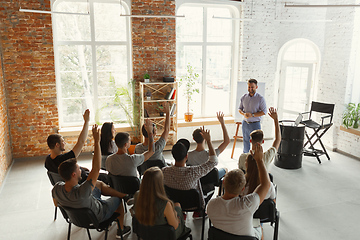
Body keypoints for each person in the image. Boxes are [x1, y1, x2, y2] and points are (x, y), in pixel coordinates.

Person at [52, 125, 131, 238]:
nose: (81, 170)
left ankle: (126, 196)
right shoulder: (83, 191)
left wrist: (71, 204)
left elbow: (56, 203)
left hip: (78, 218)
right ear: (73, 175)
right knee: (117, 200)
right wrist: (96, 141)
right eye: (79, 169)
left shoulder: (56, 188)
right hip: (97, 216)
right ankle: (121, 230)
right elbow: (96, 168)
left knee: (98, 184)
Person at [207, 144, 270, 240]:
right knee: (259, 227)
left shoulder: (211, 205)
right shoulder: (248, 204)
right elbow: (265, 185)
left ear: (223, 183)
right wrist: (260, 161)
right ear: (243, 189)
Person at [162, 127, 218, 219]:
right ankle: (198, 213)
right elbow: (213, 161)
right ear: (186, 156)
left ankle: (181, 212)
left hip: (174, 204)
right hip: (194, 205)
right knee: (211, 187)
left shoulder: (164, 171)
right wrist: (208, 140)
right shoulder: (194, 172)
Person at [134, 167, 190, 239]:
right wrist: (176, 214)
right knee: (178, 206)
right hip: (165, 236)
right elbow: (175, 226)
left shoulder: (137, 195)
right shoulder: (165, 204)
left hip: (146, 233)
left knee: (176, 205)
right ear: (160, 183)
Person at [45, 109, 91, 183]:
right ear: (57, 145)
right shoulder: (65, 160)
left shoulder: (48, 160)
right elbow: (81, 142)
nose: (64, 143)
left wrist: (80, 168)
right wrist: (87, 121)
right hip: (84, 183)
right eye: (62, 141)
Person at [187, 111, 229, 179]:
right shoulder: (212, 154)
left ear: (193, 139)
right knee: (225, 169)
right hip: (210, 179)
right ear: (205, 138)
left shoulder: (188, 155)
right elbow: (227, 141)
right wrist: (222, 123)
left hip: (196, 180)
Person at [238, 107, 281, 172]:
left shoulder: (243, 157)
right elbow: (278, 139)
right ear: (262, 141)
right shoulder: (266, 156)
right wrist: (276, 119)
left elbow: (240, 173)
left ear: (250, 141)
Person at [238, 79, 267, 153]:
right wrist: (243, 114)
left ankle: (256, 158)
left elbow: (264, 111)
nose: (250, 89)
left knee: (256, 143)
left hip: (255, 124)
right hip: (245, 123)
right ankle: (246, 157)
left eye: (252, 87)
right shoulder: (244, 97)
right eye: (249, 87)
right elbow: (239, 109)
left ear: (256, 87)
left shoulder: (260, 98)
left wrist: (252, 115)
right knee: (245, 141)